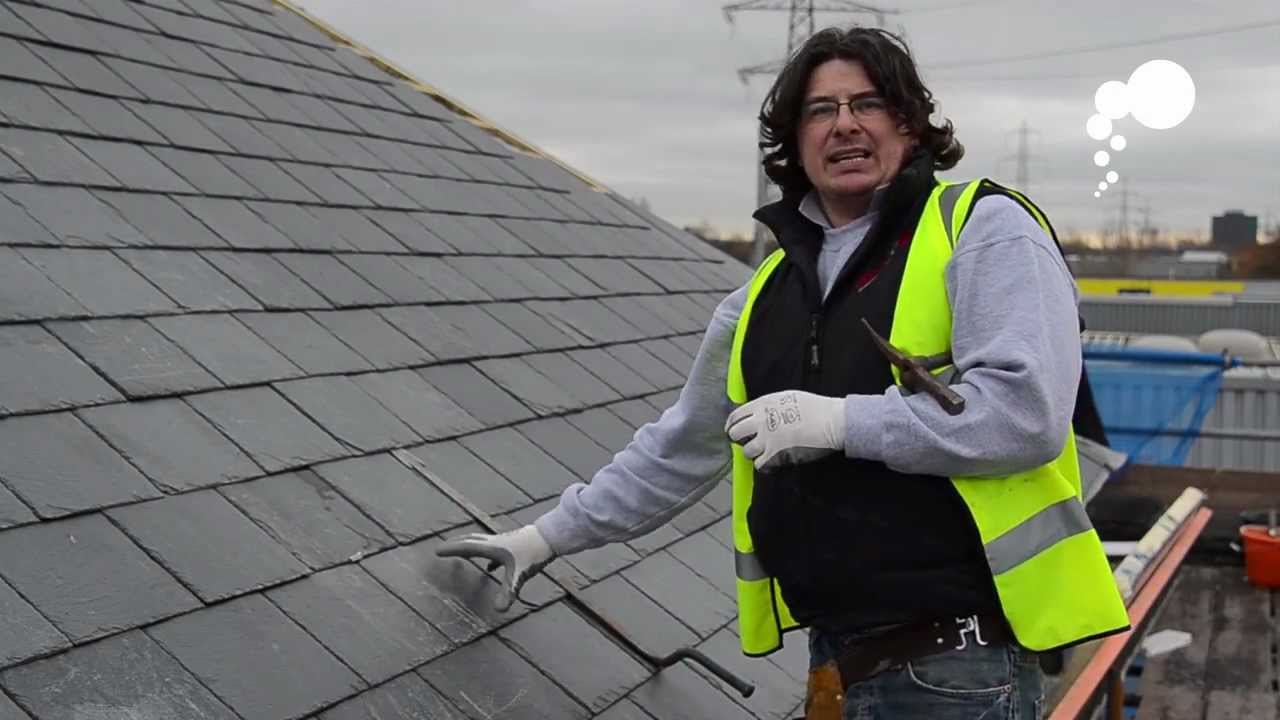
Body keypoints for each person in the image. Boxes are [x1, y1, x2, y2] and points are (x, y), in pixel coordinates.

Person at [438, 26, 1128, 720]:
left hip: (958, 668)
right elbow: (679, 449)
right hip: (837, 666)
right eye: (821, 110)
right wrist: (544, 538)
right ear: (794, 141)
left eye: (869, 103)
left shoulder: (982, 229)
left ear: (912, 125)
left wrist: (837, 422)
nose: (845, 125)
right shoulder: (762, 297)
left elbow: (1025, 415)